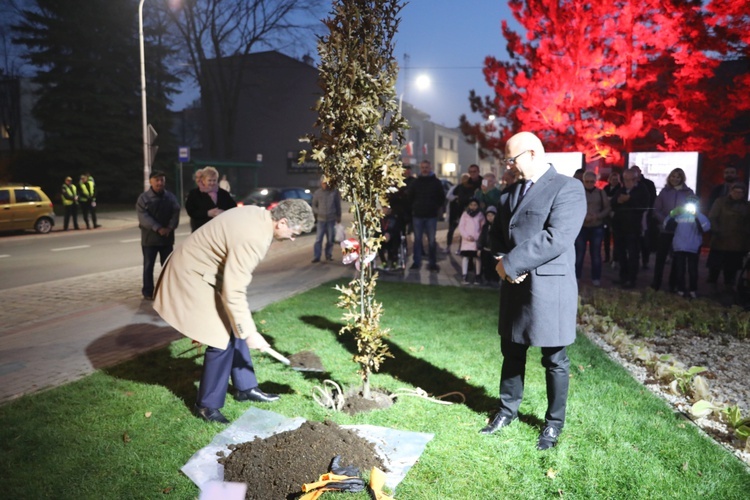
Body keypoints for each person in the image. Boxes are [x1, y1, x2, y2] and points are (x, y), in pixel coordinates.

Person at [153, 199, 315, 423]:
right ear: (282, 222)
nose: (293, 238)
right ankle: (207, 406)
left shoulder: (258, 214)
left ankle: (245, 388)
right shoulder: (255, 238)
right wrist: (250, 332)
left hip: (205, 273)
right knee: (220, 338)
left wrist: (244, 329)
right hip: (191, 274)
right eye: (295, 232)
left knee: (235, 327)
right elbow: (234, 290)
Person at [482, 131, 586, 451]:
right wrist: (501, 259)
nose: (509, 166)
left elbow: (557, 237)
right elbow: (498, 235)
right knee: (512, 353)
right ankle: (507, 410)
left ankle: (553, 424)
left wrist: (512, 263)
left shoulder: (568, 188)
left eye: (511, 159)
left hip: (550, 288)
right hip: (515, 286)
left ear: (531, 153)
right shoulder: (509, 193)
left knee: (555, 359)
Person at [136, 171, 180, 300]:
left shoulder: (170, 197)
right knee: (148, 266)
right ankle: (148, 291)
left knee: (168, 266)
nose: (160, 183)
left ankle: (168, 289)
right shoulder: (143, 198)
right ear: (151, 181)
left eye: (162, 180)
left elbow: (176, 212)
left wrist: (170, 227)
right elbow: (143, 217)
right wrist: (158, 228)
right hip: (149, 239)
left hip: (167, 238)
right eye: (157, 180)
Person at [649, 168, 694, 292]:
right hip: (665, 230)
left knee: (677, 259)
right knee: (660, 258)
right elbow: (656, 209)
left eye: (678, 177)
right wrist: (666, 220)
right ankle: (656, 282)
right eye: (673, 176)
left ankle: (673, 284)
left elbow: (692, 209)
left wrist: (681, 221)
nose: (675, 179)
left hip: (680, 230)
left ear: (682, 178)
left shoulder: (689, 192)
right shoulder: (664, 192)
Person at [664, 196, 710, 298]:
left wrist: (697, 215)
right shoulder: (679, 215)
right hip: (680, 247)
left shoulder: (699, 216)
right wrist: (672, 214)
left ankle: (692, 289)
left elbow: (706, 227)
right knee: (680, 270)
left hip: (693, 247)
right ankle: (681, 289)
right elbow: (666, 226)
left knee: (692, 271)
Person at [610, 169, 649, 288]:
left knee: (633, 254)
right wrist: (618, 200)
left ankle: (632, 279)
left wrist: (629, 200)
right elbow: (612, 203)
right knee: (621, 253)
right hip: (619, 227)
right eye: (625, 179)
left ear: (636, 179)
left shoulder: (642, 190)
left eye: (629, 179)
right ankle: (623, 277)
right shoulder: (621, 189)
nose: (626, 182)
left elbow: (644, 206)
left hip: (633, 228)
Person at [707, 183, 750, 289]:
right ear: (731, 191)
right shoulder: (720, 202)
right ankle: (711, 291)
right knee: (714, 269)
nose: (738, 194)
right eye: (736, 191)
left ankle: (728, 290)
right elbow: (712, 217)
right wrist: (716, 231)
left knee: (731, 270)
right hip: (720, 241)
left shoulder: (747, 206)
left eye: (741, 192)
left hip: (738, 243)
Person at [408, 160, 445, 271]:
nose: (424, 169)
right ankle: (416, 262)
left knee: (432, 240)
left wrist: (435, 207)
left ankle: (432, 263)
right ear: (420, 168)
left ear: (430, 168)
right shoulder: (416, 182)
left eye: (426, 167)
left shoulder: (436, 182)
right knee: (418, 240)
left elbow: (441, 197)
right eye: (423, 167)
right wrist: (414, 207)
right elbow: (410, 196)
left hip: (431, 215)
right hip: (418, 215)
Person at [574, 171, 610, 286]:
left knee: (596, 254)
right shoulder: (578, 193)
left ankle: (596, 278)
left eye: (592, 181)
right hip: (581, 226)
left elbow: (607, 208)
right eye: (587, 181)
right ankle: (576, 277)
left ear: (595, 182)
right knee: (579, 254)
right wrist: (582, 217)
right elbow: (573, 207)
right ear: (583, 181)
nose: (589, 183)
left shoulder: (600, 193)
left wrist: (597, 216)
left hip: (596, 226)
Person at [185, 166, 237, 232]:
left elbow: (233, 207)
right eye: (209, 180)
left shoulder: (224, 193)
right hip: (201, 231)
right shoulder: (194, 194)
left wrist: (223, 212)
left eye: (214, 180)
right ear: (203, 180)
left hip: (219, 231)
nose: (212, 183)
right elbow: (191, 211)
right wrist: (207, 213)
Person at [311, 175, 342, 263]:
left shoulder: (334, 193)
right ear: (321, 183)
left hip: (331, 219)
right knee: (318, 239)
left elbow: (338, 205)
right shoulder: (317, 193)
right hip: (321, 220)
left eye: (327, 183)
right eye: (324, 183)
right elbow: (314, 205)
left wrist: (339, 216)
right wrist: (318, 212)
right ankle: (316, 256)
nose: (325, 185)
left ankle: (328, 255)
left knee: (330, 239)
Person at [631, 165, 657, 269]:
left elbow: (653, 199)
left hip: (646, 215)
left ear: (640, 172)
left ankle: (645, 261)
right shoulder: (628, 184)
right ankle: (634, 263)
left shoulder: (649, 184)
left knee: (645, 240)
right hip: (633, 217)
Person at [457, 198, 485, 285]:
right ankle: (464, 275)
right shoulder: (465, 214)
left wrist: (477, 237)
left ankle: (477, 276)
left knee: (477, 258)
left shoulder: (480, 215)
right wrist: (466, 236)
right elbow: (461, 227)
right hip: (466, 240)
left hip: (476, 241)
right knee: (465, 257)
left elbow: (482, 228)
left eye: (475, 205)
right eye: (471, 205)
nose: (473, 207)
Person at [602, 170, 621, 264]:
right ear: (609, 180)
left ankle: (615, 258)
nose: (614, 181)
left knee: (616, 239)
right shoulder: (606, 188)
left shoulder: (620, 189)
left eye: (616, 179)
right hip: (606, 216)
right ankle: (607, 256)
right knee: (606, 238)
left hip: (615, 216)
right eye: (613, 179)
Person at [478, 205, 499, 286]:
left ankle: (495, 280)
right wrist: (480, 248)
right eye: (488, 215)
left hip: (494, 250)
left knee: (495, 266)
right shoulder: (485, 227)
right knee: (486, 266)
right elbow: (482, 237)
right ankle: (487, 279)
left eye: (492, 215)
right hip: (486, 249)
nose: (490, 217)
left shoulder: (498, 227)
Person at [377, 205, 401, 270]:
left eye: (388, 208)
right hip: (382, 238)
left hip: (392, 238)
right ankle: (384, 263)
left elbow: (397, 229)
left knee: (396, 241)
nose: (387, 210)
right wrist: (383, 235)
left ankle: (394, 263)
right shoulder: (379, 219)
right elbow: (377, 230)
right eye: (385, 208)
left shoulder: (395, 218)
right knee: (378, 243)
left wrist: (390, 235)